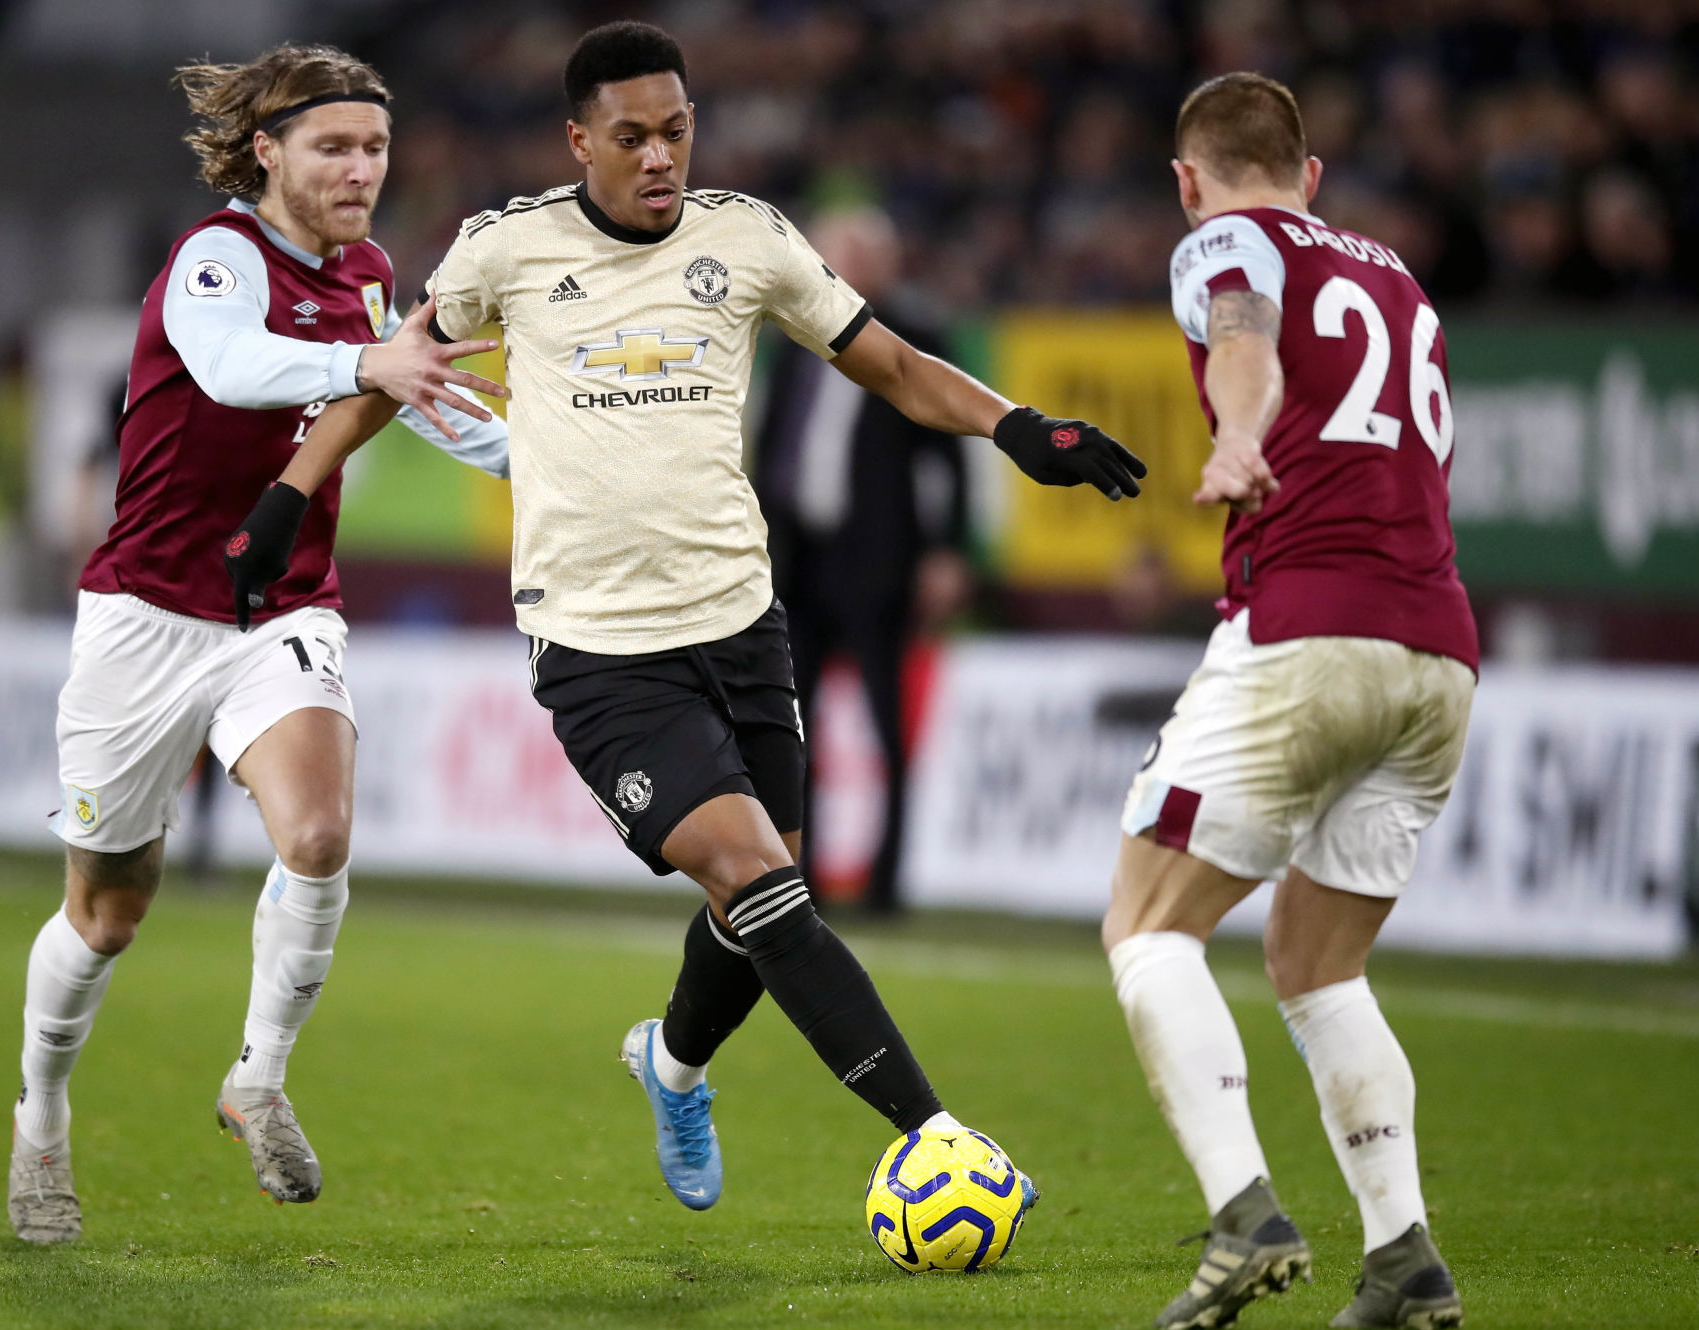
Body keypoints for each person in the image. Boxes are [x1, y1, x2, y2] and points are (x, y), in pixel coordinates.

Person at [281, 21, 1144, 1216]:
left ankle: (672, 1065)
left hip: (742, 620)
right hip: (596, 647)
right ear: (578, 138)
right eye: (629, 136)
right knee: (759, 878)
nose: (657, 157)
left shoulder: (747, 240)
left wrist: (1015, 425)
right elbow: (391, 370)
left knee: (753, 902)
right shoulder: (506, 251)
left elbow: (888, 364)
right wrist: (289, 496)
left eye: (675, 130)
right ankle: (938, 1137)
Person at [7, 43, 511, 1246]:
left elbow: (411, 391)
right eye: (333, 147)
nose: (359, 169)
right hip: (143, 612)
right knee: (108, 912)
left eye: (375, 147)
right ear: (268, 151)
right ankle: (40, 1117)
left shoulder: (372, 275)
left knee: (320, 832)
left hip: (280, 606)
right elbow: (233, 374)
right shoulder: (216, 257)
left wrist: (549, 465)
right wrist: (365, 360)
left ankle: (259, 1077)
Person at [1104, 72, 1478, 1330]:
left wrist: (1235, 431)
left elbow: (1244, 331)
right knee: (1319, 968)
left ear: (1185, 178)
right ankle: (1404, 1254)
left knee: (1146, 927)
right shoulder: (1394, 276)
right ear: (1310, 171)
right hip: (1436, 659)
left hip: (1307, 633)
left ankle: (1243, 1213)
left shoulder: (1223, 238)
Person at [752, 206, 973, 913]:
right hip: (802, 554)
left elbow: (953, 453)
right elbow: (773, 440)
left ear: (881, 263)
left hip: (879, 556)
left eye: (848, 253)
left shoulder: (919, 334)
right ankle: (800, 874)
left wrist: (946, 549)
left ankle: (886, 880)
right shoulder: (795, 338)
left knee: (886, 723)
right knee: (793, 725)